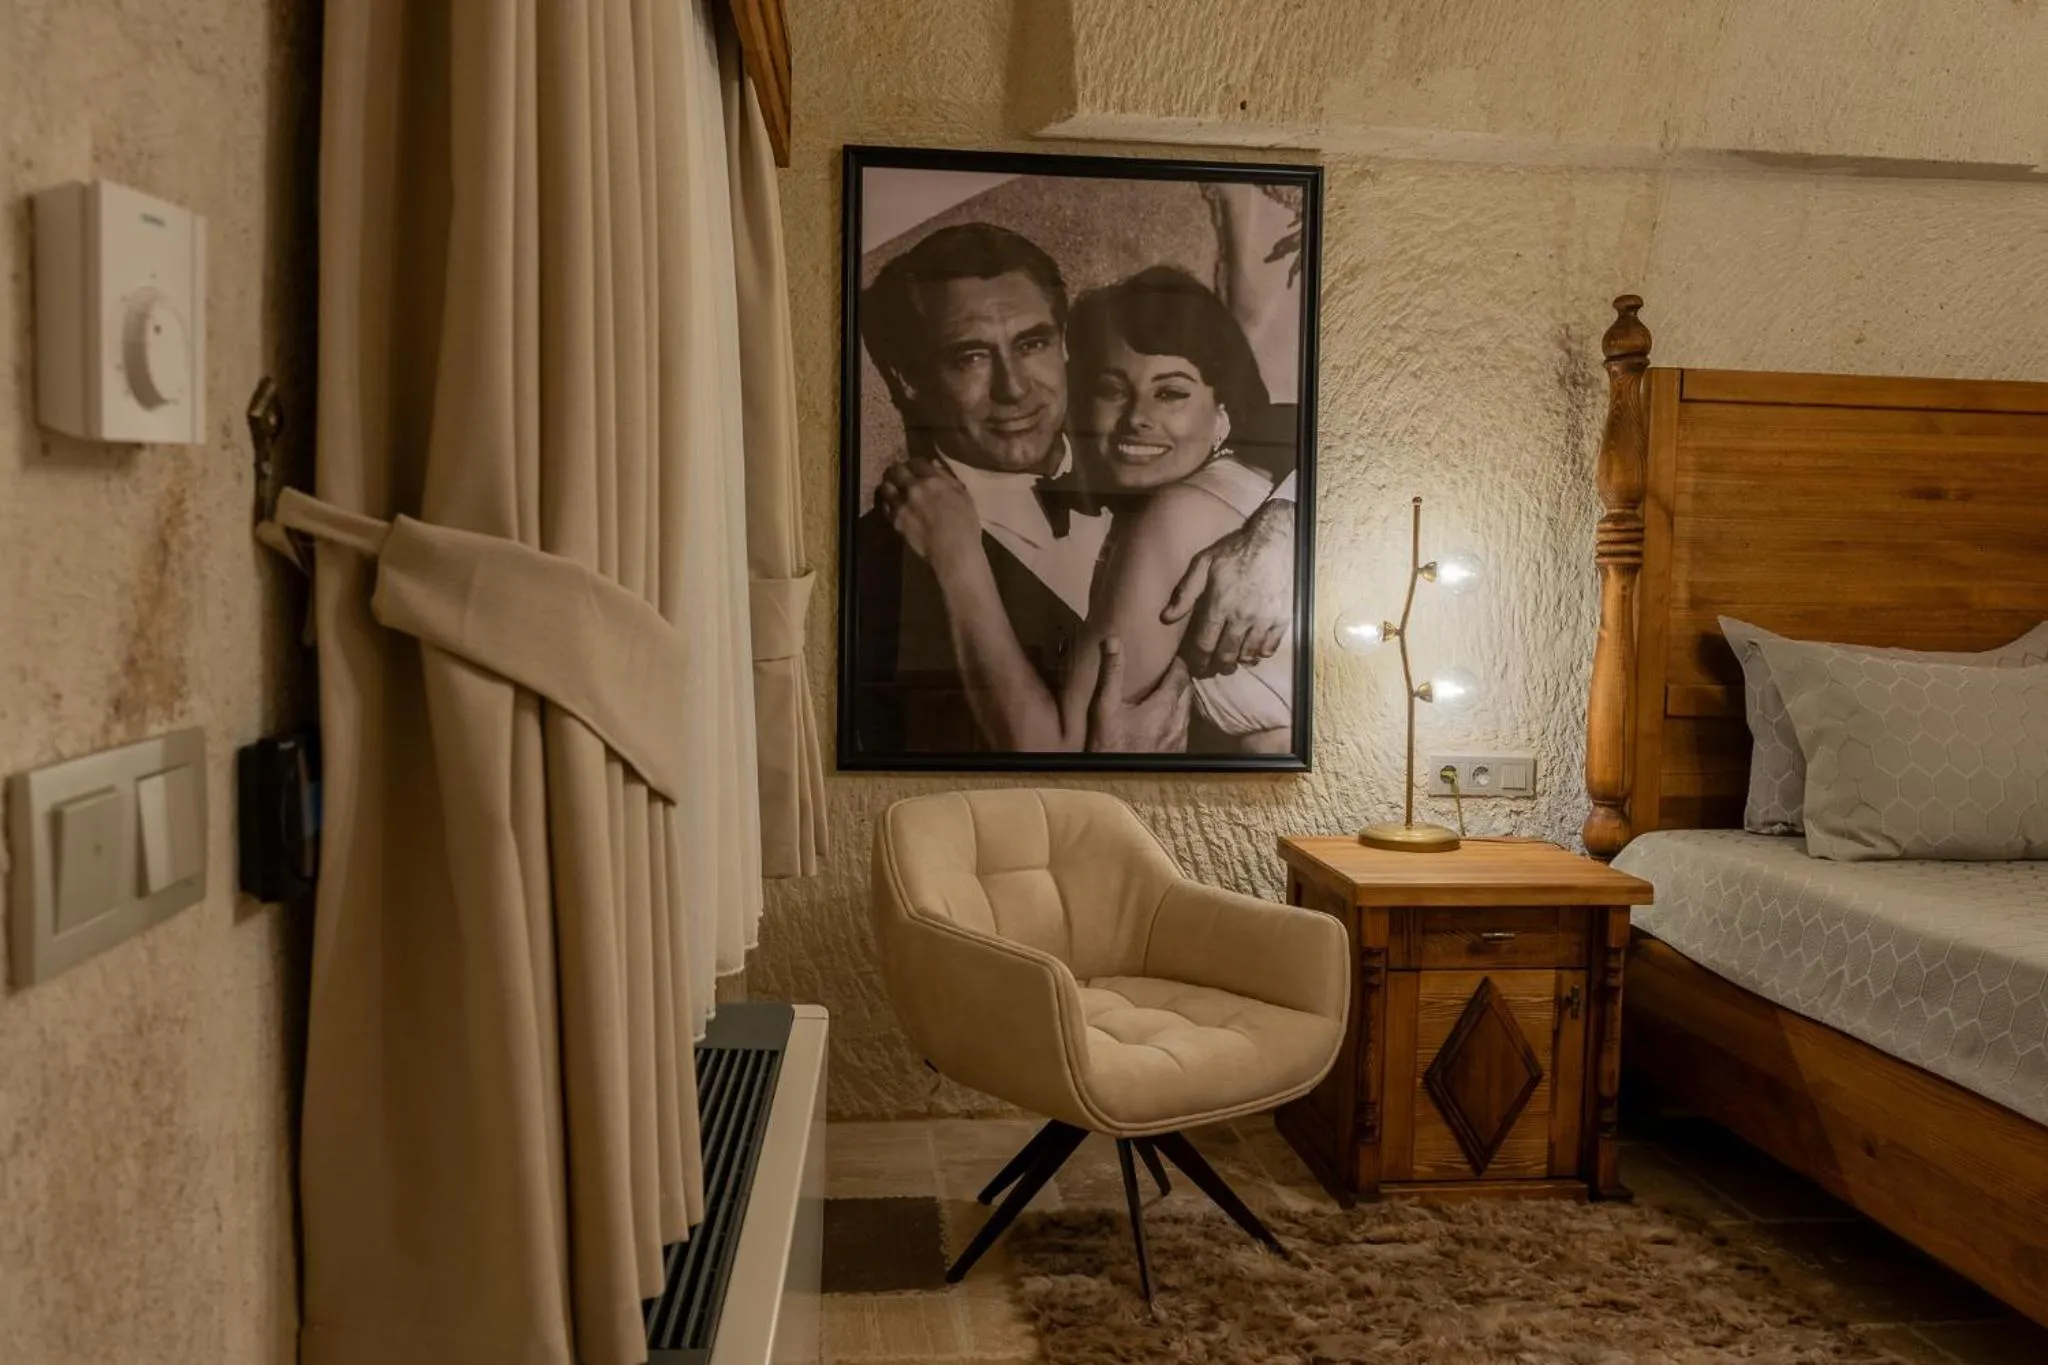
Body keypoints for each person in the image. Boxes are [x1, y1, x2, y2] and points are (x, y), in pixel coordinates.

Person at [850, 223, 1298, 756]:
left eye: (1031, 343)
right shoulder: (876, 563)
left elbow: (1325, 434)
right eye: (970, 357)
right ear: (908, 380)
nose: (1013, 388)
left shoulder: (1154, 460)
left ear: (1063, 345)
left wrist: (1285, 525)